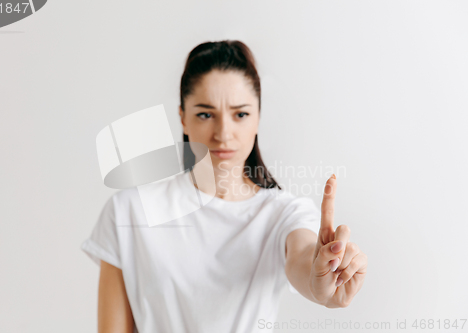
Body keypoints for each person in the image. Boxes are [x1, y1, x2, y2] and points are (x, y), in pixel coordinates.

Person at [81, 40, 368, 333]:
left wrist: (321, 278)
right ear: (182, 117)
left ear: (258, 117)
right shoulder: (129, 211)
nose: (223, 133)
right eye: (205, 114)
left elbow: (303, 257)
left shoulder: (283, 213)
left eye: (240, 114)